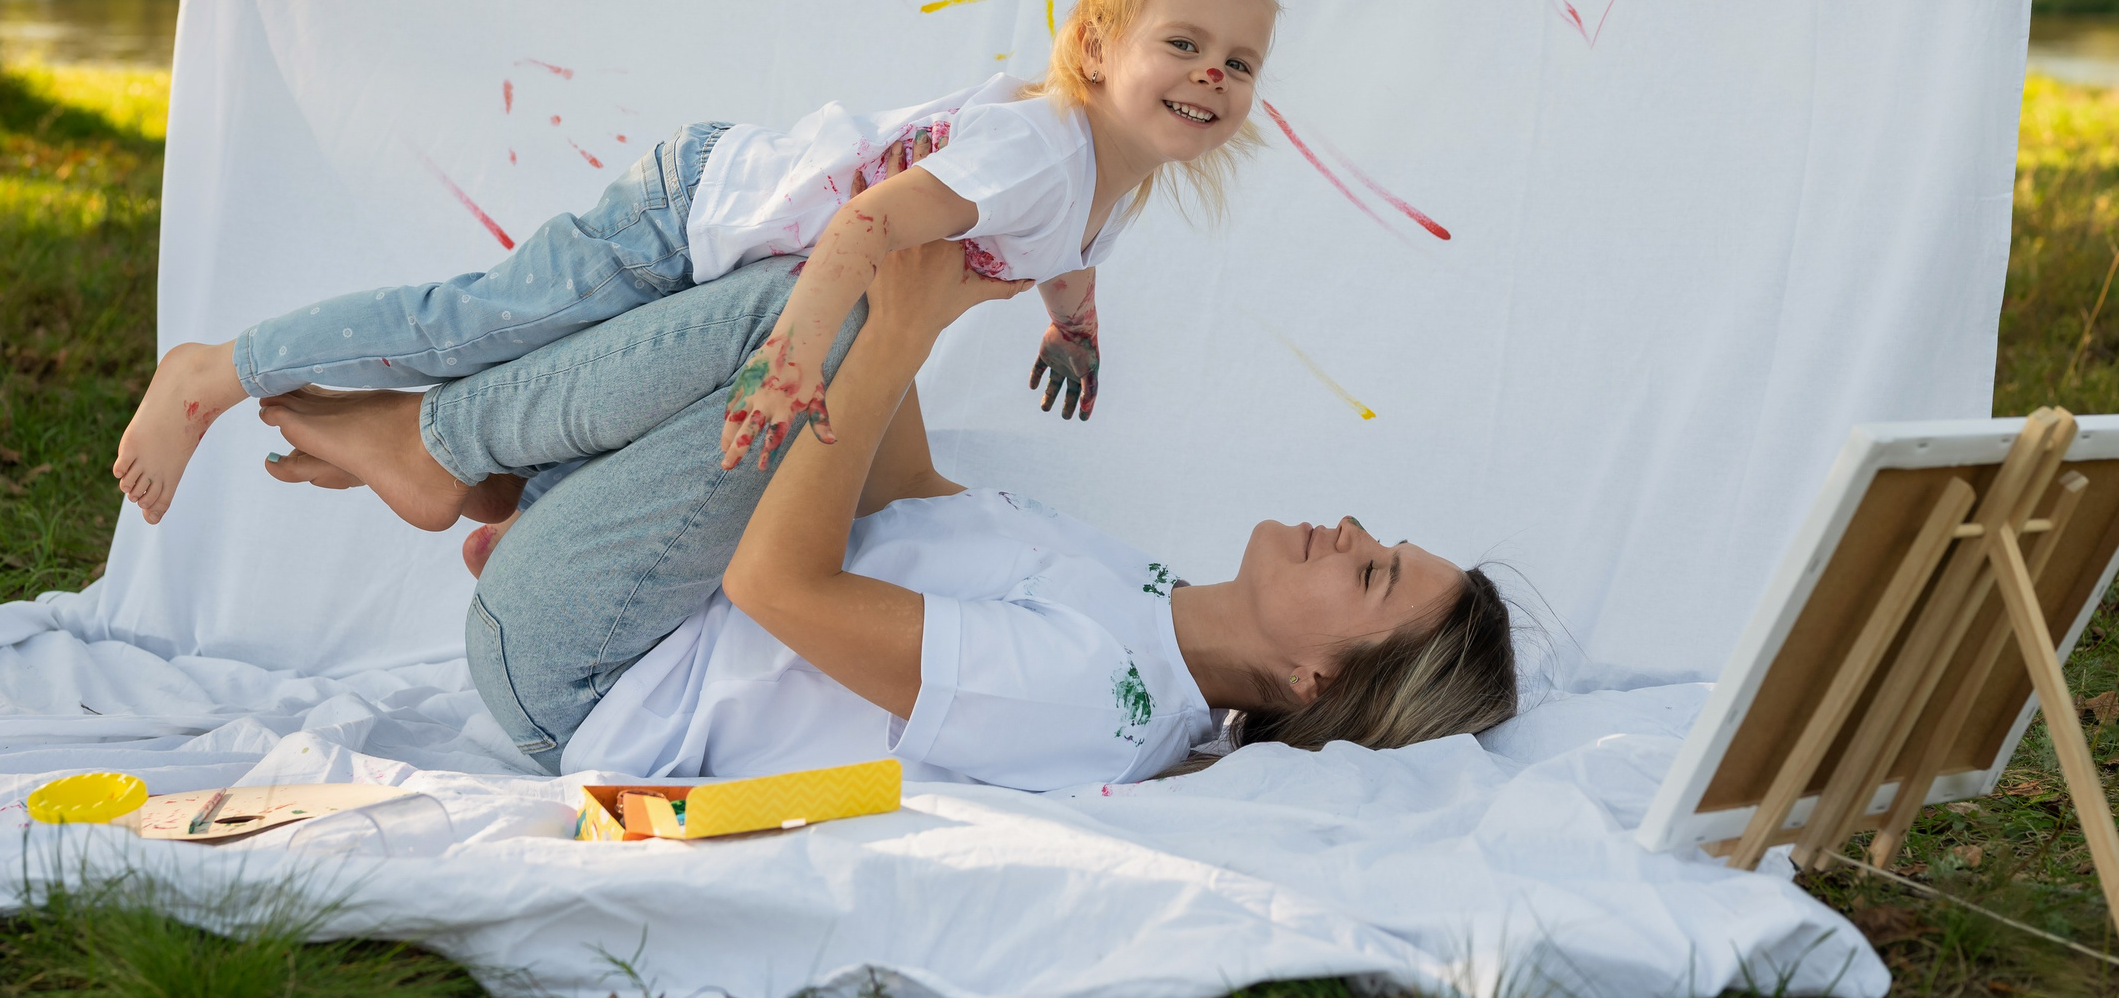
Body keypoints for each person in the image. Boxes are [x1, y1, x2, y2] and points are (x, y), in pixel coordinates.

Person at [112, 0, 1289, 522]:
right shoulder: (1038, 149)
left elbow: (1066, 249)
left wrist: (1072, 326)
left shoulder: (1108, 178)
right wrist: (792, 357)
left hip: (726, 264)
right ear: (1094, 49)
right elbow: (865, 221)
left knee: (593, 409)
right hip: (686, 216)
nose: (1211, 76)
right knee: (471, 328)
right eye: (1182, 44)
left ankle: (401, 456)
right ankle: (214, 370)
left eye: (1238, 62)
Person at [257, 232, 1520, 790]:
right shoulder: (1145, 597)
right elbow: (904, 494)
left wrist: (892, 329)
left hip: (592, 671)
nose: (1352, 532)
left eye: (1372, 574)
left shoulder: (1095, 699)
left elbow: (776, 587)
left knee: (808, 318)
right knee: (828, 278)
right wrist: (927, 292)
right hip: (643, 599)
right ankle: (504, 481)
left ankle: (442, 448)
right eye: (1383, 542)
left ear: (1312, 681)